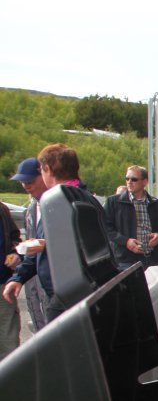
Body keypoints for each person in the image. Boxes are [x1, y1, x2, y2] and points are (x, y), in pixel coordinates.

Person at [3, 143, 104, 322]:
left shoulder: (60, 200)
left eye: (41, 169)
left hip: (68, 292)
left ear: (47, 169)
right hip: (78, 288)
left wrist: (46, 244)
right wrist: (19, 276)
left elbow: (83, 244)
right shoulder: (86, 198)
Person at [103, 165, 158, 270]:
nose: (129, 182)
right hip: (125, 262)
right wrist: (126, 242)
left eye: (134, 179)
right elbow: (105, 228)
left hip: (152, 261)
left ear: (145, 182)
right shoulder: (113, 202)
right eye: (127, 178)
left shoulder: (156, 204)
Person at [9, 158, 48, 331]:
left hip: (51, 279)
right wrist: (18, 255)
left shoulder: (57, 203)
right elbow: (28, 240)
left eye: (30, 181)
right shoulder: (32, 208)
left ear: (44, 175)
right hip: (32, 276)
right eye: (22, 182)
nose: (26, 186)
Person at [0, 200, 20, 360]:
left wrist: (15, 253)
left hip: (3, 286)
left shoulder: (2, 209)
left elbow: (15, 238)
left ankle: (10, 382)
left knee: (9, 342)